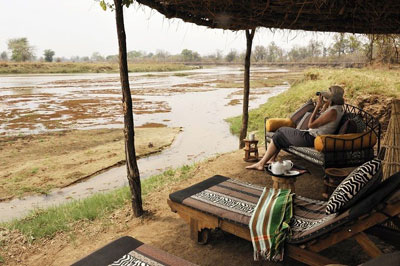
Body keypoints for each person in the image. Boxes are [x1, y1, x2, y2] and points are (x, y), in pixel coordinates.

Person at [246, 86, 345, 171]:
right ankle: (269, 160)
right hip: (313, 136)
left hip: (312, 138)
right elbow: (322, 118)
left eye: (329, 95)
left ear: (332, 98)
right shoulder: (338, 109)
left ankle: (262, 163)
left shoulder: (332, 112)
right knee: (280, 136)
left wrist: (317, 106)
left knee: (281, 130)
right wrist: (325, 105)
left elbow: (311, 124)